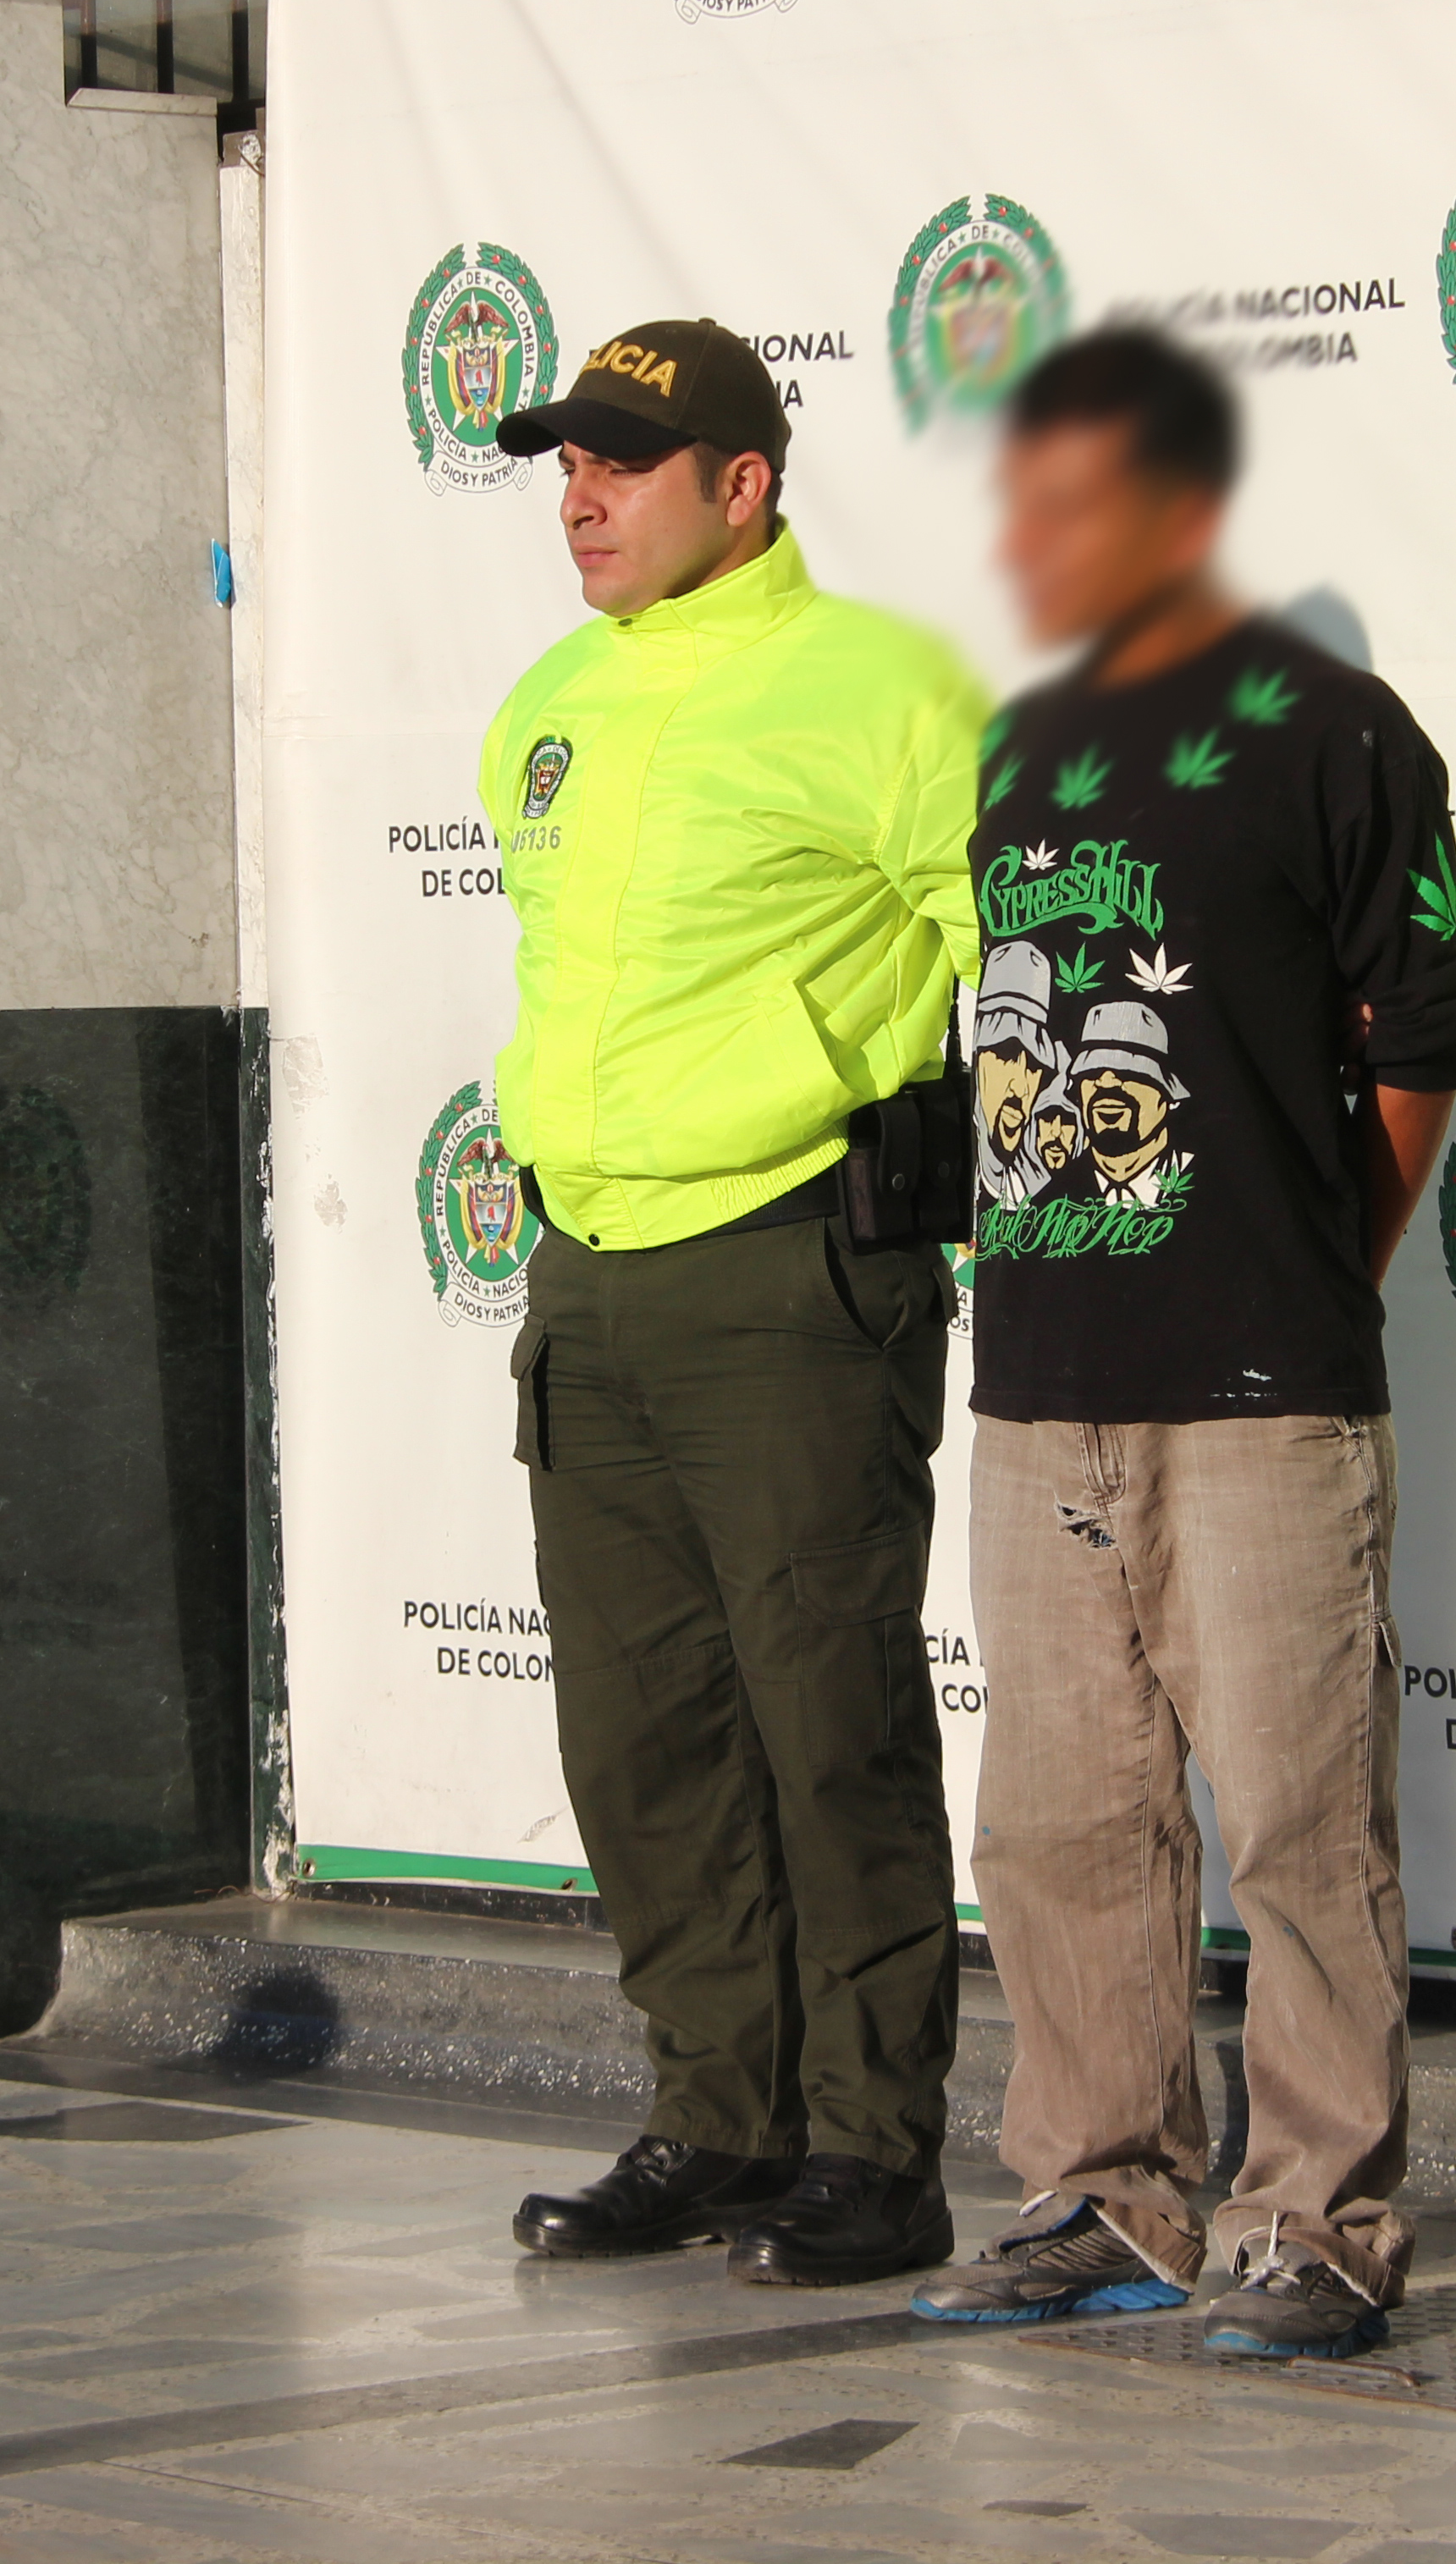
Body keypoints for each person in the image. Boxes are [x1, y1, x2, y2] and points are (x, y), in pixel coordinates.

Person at [902, 329, 1456, 2360]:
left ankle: (1319, 2219)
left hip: (1261, 1383)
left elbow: (1422, 1031)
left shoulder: (1334, 731)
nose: (1029, 538)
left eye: (1070, 501)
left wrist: (1327, 1253)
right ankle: (1102, 2194)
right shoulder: (1021, 744)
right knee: (1060, 1820)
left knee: (1303, 1820)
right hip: (1043, 1377)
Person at [479, 317, 984, 2289]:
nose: (580, 495)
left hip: (792, 1276)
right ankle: (716, 2117)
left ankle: (878, 2148)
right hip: (587, 1280)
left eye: (622, 461)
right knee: (643, 1737)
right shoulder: (550, 701)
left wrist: (990, 1204)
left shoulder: (883, 686)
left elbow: (1015, 949)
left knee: (829, 1724)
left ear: (742, 485)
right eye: (565, 464)